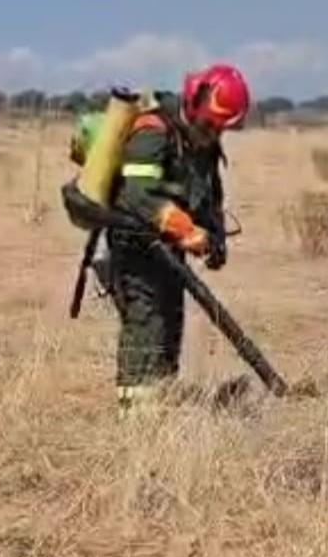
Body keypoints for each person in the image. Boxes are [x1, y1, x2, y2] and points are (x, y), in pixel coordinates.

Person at [102, 64, 250, 411]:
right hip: (135, 243)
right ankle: (135, 415)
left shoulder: (204, 142)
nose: (214, 133)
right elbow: (138, 196)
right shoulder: (152, 131)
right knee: (146, 321)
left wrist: (214, 239)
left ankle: (161, 400)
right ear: (195, 104)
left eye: (221, 128)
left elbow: (209, 193)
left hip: (170, 249)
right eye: (212, 124)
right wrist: (187, 231)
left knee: (171, 323)